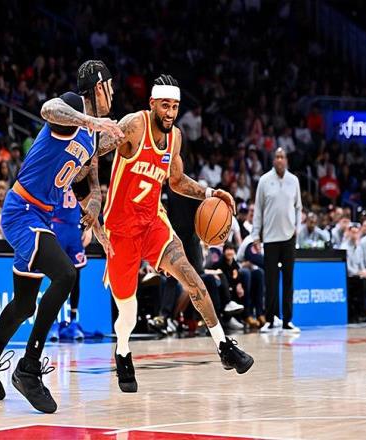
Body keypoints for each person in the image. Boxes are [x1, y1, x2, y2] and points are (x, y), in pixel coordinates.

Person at [0, 60, 123, 414]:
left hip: (42, 217)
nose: (113, 93)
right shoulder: (72, 107)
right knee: (66, 274)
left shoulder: (91, 137)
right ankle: (29, 367)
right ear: (99, 86)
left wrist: (97, 221)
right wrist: (92, 121)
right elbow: (48, 108)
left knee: (25, 304)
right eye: (111, 86)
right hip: (21, 210)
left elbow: (84, 182)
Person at [96, 74, 254, 393]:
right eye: (165, 106)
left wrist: (210, 192)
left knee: (191, 276)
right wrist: (89, 198)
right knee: (128, 312)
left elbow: (177, 181)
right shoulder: (134, 125)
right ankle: (123, 351)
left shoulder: (175, 138)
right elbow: (92, 153)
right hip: (121, 229)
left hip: (153, 222)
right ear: (152, 103)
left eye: (175, 107)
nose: (170, 113)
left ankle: (224, 346)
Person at [252, 148, 302, 333]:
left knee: (288, 280)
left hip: (289, 237)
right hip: (270, 238)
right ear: (273, 160)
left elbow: (298, 207)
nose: (280, 160)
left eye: (282, 157)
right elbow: (258, 209)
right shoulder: (264, 180)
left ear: (286, 160)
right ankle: (270, 319)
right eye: (277, 157)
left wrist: (297, 228)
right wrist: (256, 235)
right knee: (271, 281)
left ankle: (287, 320)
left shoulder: (294, 180)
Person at [51, 187, 89, 340]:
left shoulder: (81, 177)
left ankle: (73, 321)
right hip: (57, 225)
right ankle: (53, 322)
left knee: (75, 276)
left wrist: (89, 228)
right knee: (56, 276)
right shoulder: (55, 175)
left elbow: (89, 200)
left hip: (75, 228)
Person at [342, 223, 366, 322]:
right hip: (350, 277)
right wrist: (359, 273)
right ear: (349, 233)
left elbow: (361, 264)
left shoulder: (359, 247)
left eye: (356, 233)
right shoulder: (344, 247)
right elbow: (348, 269)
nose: (355, 235)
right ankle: (360, 313)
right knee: (362, 282)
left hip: (359, 275)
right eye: (353, 232)